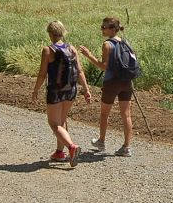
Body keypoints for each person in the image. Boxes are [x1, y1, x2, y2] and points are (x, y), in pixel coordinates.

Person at [32, 20, 91, 167]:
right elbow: (79, 71)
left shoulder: (48, 50)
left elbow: (42, 74)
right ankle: (59, 152)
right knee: (62, 121)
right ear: (63, 32)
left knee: (54, 123)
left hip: (55, 91)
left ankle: (71, 147)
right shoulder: (71, 49)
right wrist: (86, 89)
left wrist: (36, 89)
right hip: (70, 90)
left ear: (51, 34)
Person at [79, 17, 133, 157]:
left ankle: (101, 142)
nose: (101, 29)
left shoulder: (107, 45)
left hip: (112, 82)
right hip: (127, 82)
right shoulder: (125, 42)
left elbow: (104, 67)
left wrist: (88, 55)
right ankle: (126, 147)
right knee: (126, 115)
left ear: (113, 29)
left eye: (104, 27)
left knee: (104, 113)